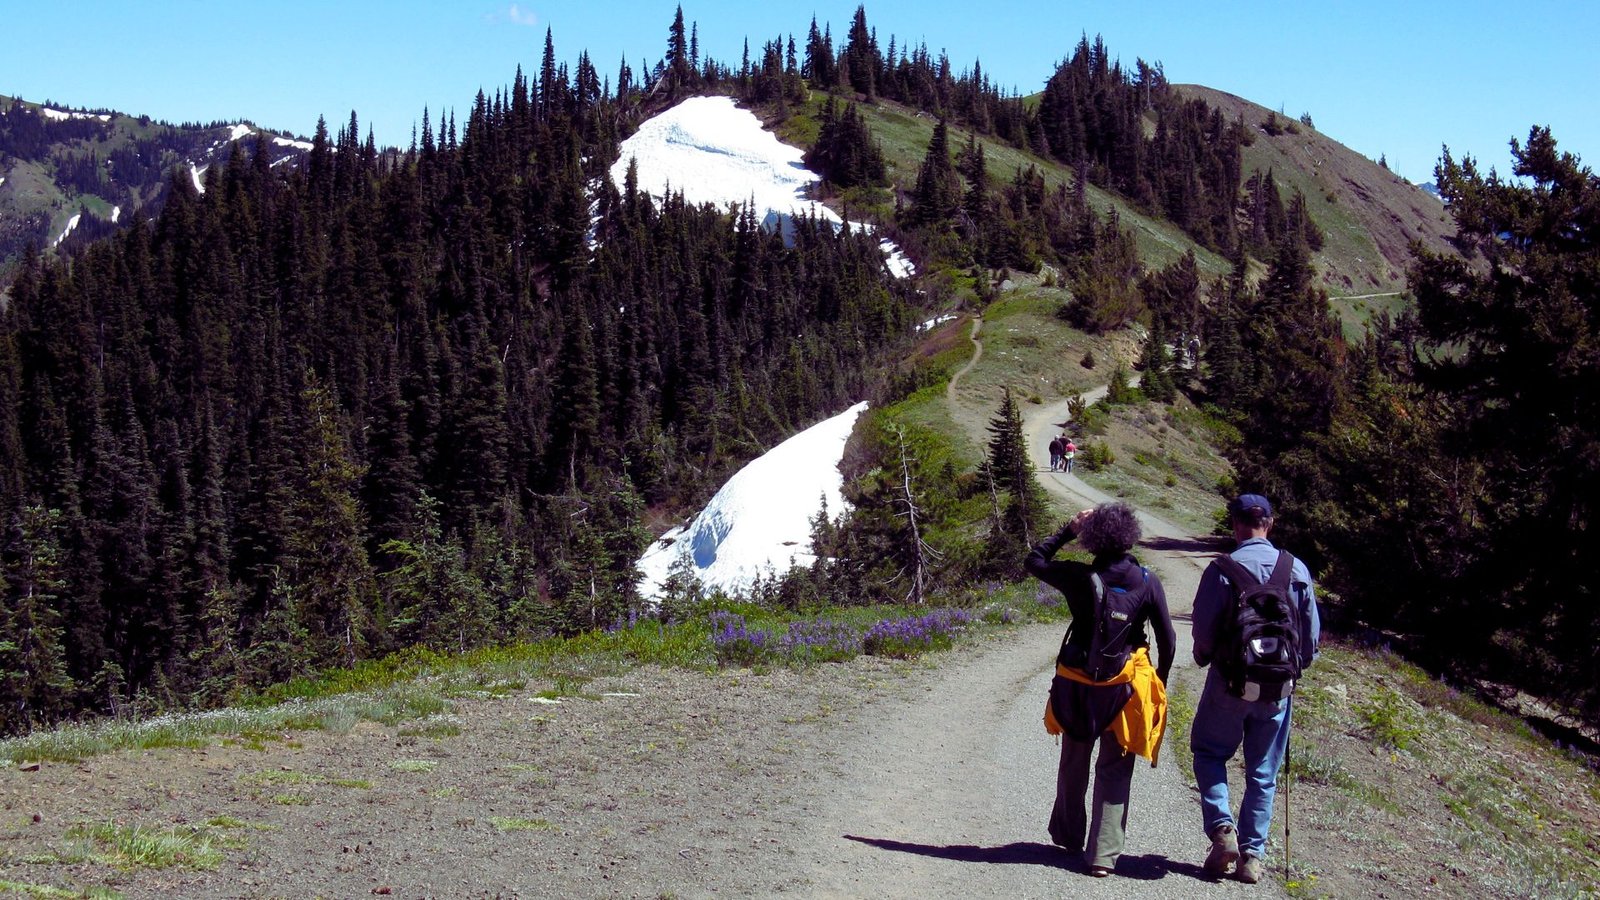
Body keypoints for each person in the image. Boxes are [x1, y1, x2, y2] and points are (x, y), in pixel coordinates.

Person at [1026, 503, 1176, 877]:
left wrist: (1067, 530)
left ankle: (1067, 834)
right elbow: (1169, 640)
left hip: (1077, 685)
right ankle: (1102, 857)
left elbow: (1035, 561)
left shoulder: (1078, 576)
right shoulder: (1147, 581)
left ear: (1092, 539)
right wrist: (1160, 679)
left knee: (1074, 760)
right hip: (1123, 685)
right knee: (1115, 766)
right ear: (1130, 536)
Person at [1189, 493, 1320, 884]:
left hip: (1229, 683)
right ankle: (1252, 857)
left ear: (1235, 524)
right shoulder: (1295, 569)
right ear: (1270, 523)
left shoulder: (1223, 569)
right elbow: (1310, 638)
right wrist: (1293, 670)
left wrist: (1206, 656)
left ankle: (1222, 829)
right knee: (1263, 771)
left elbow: (1203, 632)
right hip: (1278, 687)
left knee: (1209, 751)